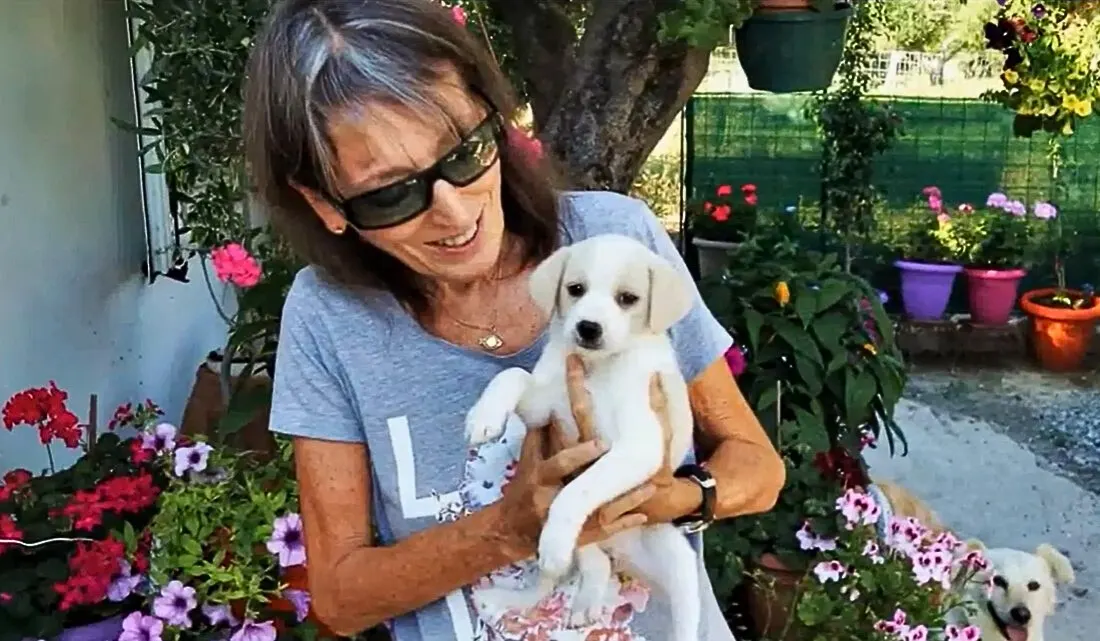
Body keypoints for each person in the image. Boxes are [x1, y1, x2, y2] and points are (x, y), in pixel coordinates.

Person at [242, 0, 785, 639]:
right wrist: (507, 530)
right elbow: (337, 598)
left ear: (497, 120)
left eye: (466, 151)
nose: (453, 209)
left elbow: (758, 467)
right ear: (324, 205)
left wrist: (678, 496)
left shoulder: (613, 243)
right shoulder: (329, 316)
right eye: (392, 192)